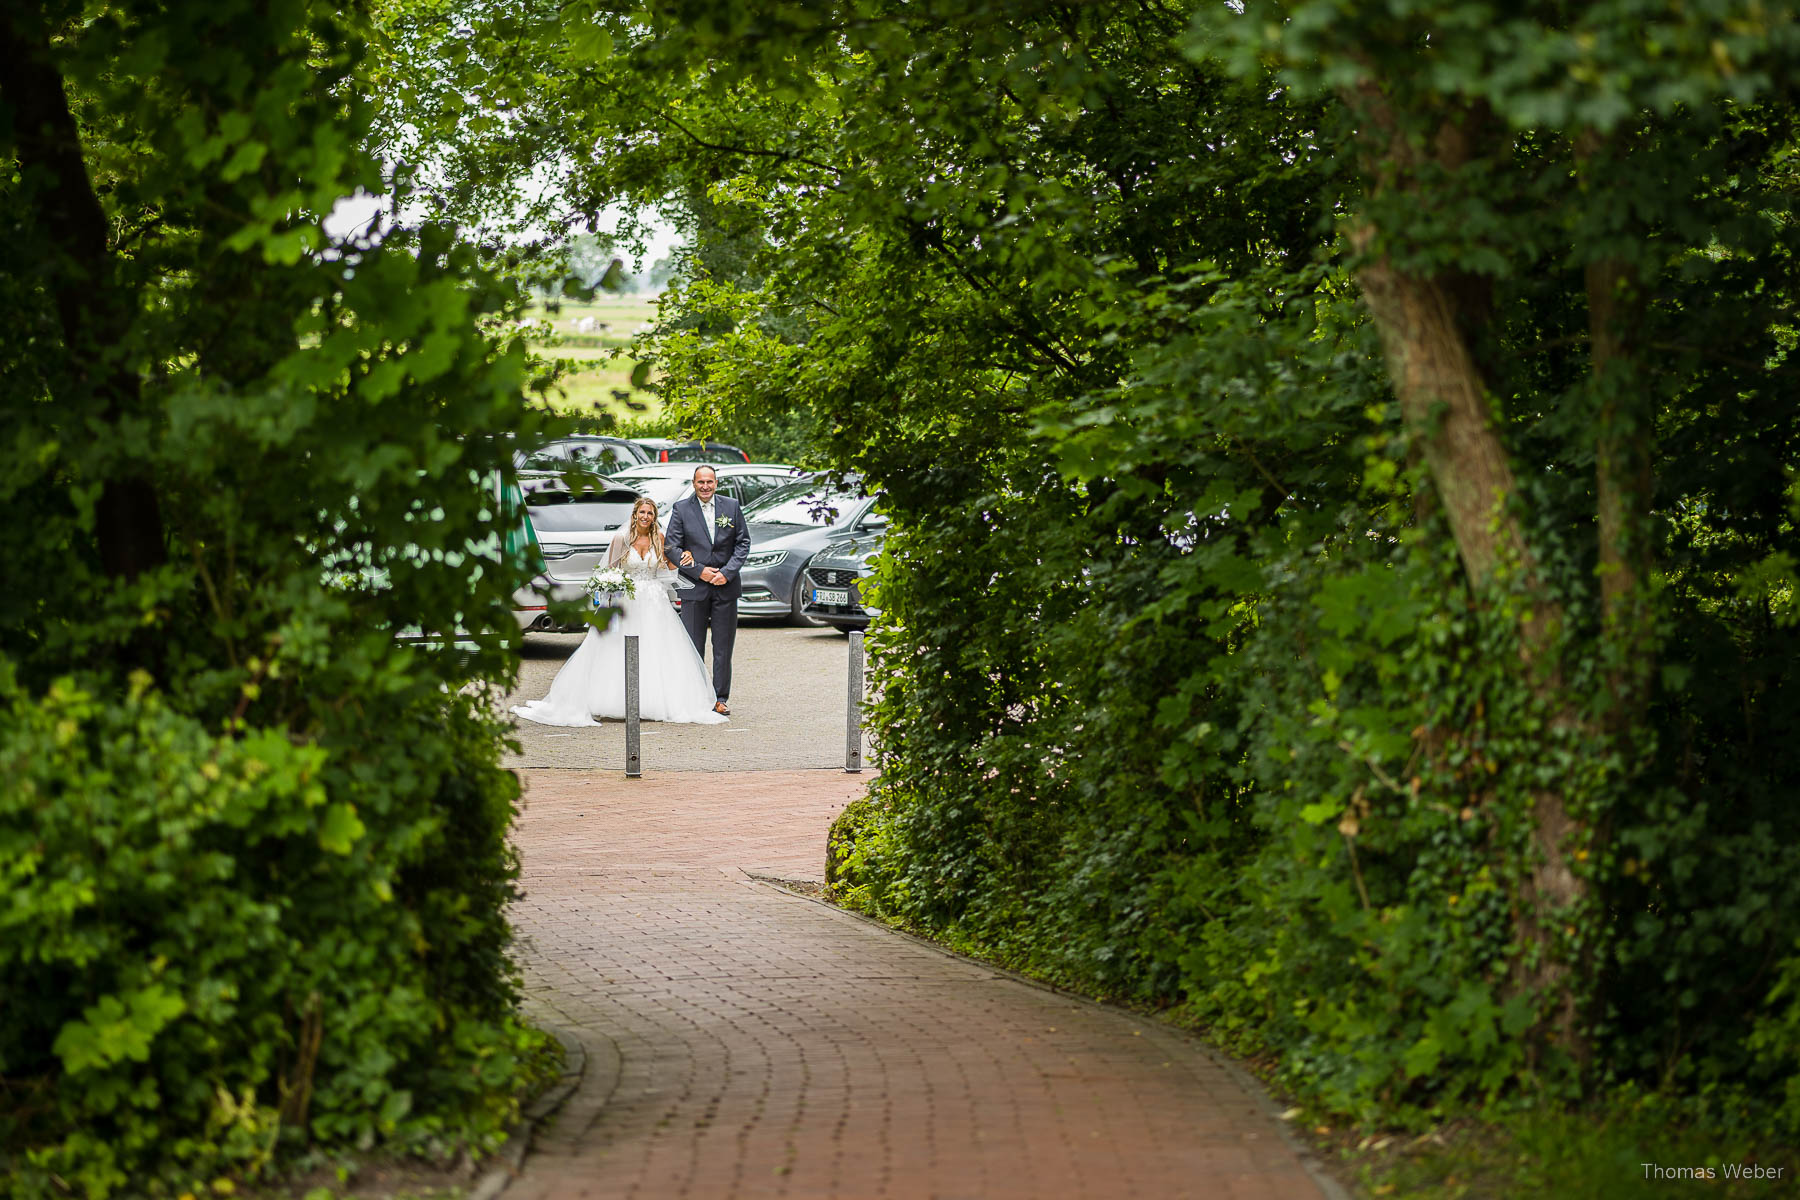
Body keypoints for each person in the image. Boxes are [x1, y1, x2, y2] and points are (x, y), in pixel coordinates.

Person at [511, 497, 727, 727]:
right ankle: (611, 699)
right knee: (618, 647)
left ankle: (654, 700)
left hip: (654, 601)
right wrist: (610, 589)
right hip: (627, 602)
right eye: (642, 512)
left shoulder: (659, 538)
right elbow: (608, 571)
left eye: (650, 513)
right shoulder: (621, 539)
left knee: (656, 648)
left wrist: (686, 557)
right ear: (635, 515)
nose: (646, 517)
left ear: (654, 517)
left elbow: (668, 567)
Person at [665, 464, 751, 715]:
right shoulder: (681, 509)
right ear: (693, 483)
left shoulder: (731, 507)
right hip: (695, 588)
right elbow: (672, 547)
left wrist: (727, 572)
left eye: (709, 482)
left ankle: (720, 698)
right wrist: (700, 570)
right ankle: (694, 697)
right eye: (701, 482)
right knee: (693, 646)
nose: (705, 486)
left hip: (726, 587)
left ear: (716, 483)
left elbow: (743, 543)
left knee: (723, 647)